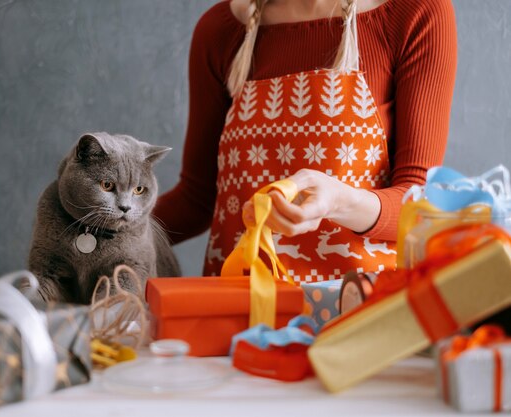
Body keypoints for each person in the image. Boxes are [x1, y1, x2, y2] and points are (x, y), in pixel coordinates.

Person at [154, 0, 457, 282]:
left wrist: (339, 201)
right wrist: (107, 227)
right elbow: (197, 199)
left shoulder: (414, 13)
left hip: (356, 311)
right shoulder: (221, 30)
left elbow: (418, 206)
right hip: (236, 310)